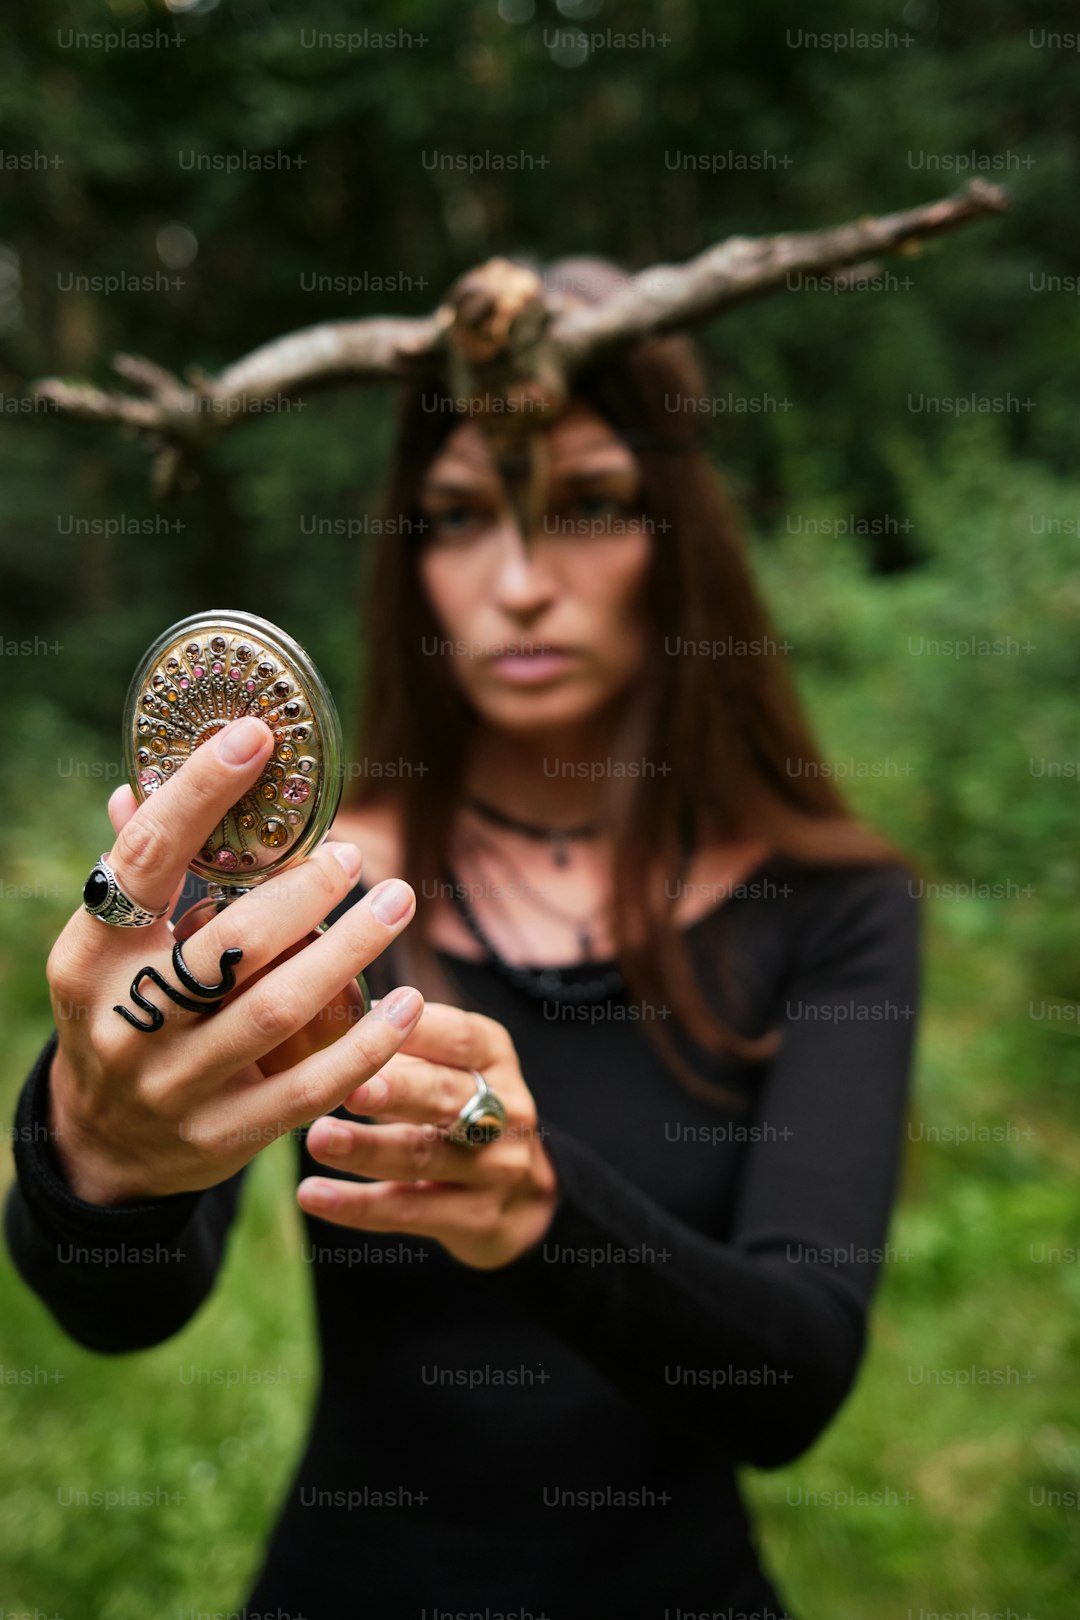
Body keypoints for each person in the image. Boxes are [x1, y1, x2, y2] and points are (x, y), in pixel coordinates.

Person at [5, 258, 921, 1620]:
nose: (521, 582)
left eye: (592, 506)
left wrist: (541, 1208)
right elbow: (126, 1312)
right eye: (457, 517)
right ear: (409, 555)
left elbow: (789, 1383)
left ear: (681, 537)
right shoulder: (316, 884)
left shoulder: (833, 904)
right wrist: (96, 1154)